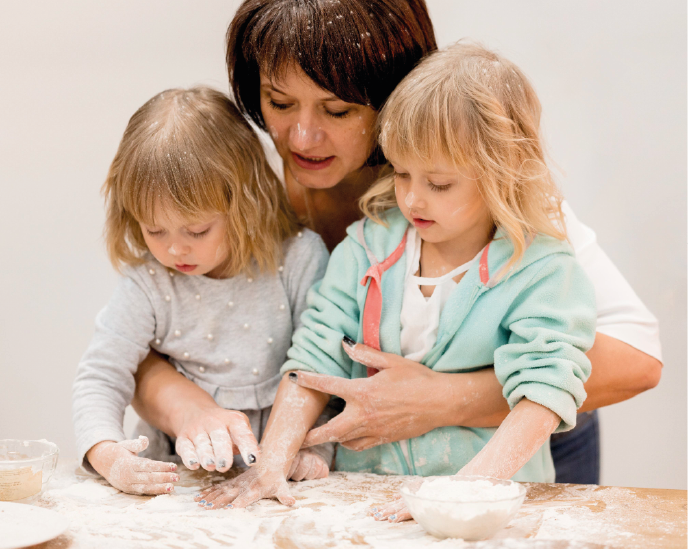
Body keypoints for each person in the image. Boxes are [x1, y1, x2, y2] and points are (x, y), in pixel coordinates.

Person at [133, 0, 662, 486]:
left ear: (392, 96)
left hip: (522, 453)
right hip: (366, 465)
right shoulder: (242, 203)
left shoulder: (489, 197)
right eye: (280, 102)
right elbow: (142, 331)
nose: (302, 137)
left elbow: (638, 358)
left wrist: (445, 400)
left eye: (338, 110)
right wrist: (188, 410)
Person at [195, 42, 597, 515]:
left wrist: (465, 492)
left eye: (439, 184)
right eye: (402, 173)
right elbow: (314, 356)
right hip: (364, 499)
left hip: (485, 509)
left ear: (504, 172)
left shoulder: (541, 269)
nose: (413, 200)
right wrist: (272, 460)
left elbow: (544, 391)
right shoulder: (369, 246)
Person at [72, 87, 333, 495]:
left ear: (246, 203)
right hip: (179, 485)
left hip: (278, 479)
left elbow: (325, 373)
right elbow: (100, 376)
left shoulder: (298, 260)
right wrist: (108, 455)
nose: (174, 249)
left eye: (197, 230)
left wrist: (316, 451)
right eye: (154, 229)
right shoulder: (150, 281)